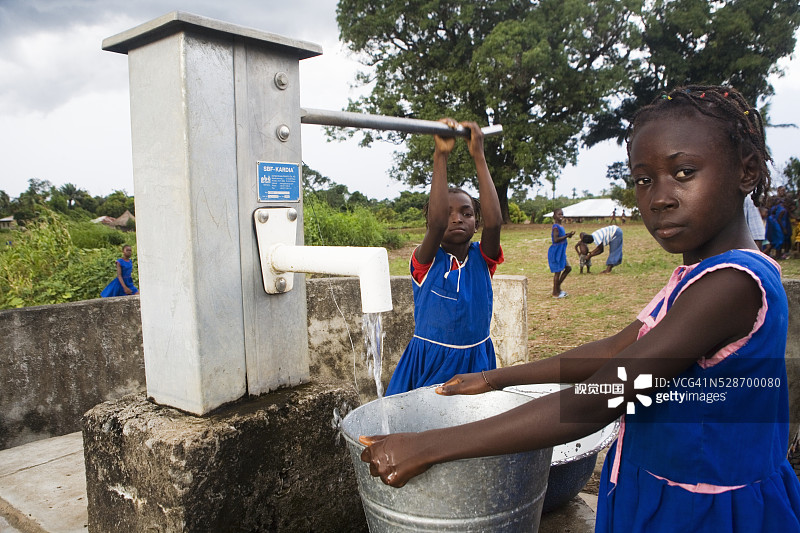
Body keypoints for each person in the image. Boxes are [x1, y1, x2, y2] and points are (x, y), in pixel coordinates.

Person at [359, 86, 800, 532]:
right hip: (659, 488)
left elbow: (603, 396)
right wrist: (493, 378)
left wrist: (429, 446)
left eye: (684, 172)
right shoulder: (699, 276)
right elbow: (613, 350)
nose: (659, 197)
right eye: (643, 179)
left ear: (747, 172)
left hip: (706, 513)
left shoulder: (732, 285)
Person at [384, 118, 503, 396]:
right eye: (448, 213)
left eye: (466, 213)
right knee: (422, 423)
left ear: (476, 222)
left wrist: (479, 156)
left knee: (471, 425)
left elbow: (495, 223)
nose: (457, 219)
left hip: (476, 362)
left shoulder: (483, 260)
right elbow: (436, 225)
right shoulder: (425, 261)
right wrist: (441, 155)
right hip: (429, 361)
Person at [548, 208, 574, 297]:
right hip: (557, 251)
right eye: (559, 214)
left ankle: (557, 288)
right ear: (554, 216)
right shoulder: (555, 227)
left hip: (561, 251)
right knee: (558, 272)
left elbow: (561, 236)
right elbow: (555, 239)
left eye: (562, 214)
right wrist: (566, 236)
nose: (561, 216)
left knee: (568, 268)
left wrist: (568, 235)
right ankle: (555, 292)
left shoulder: (560, 226)